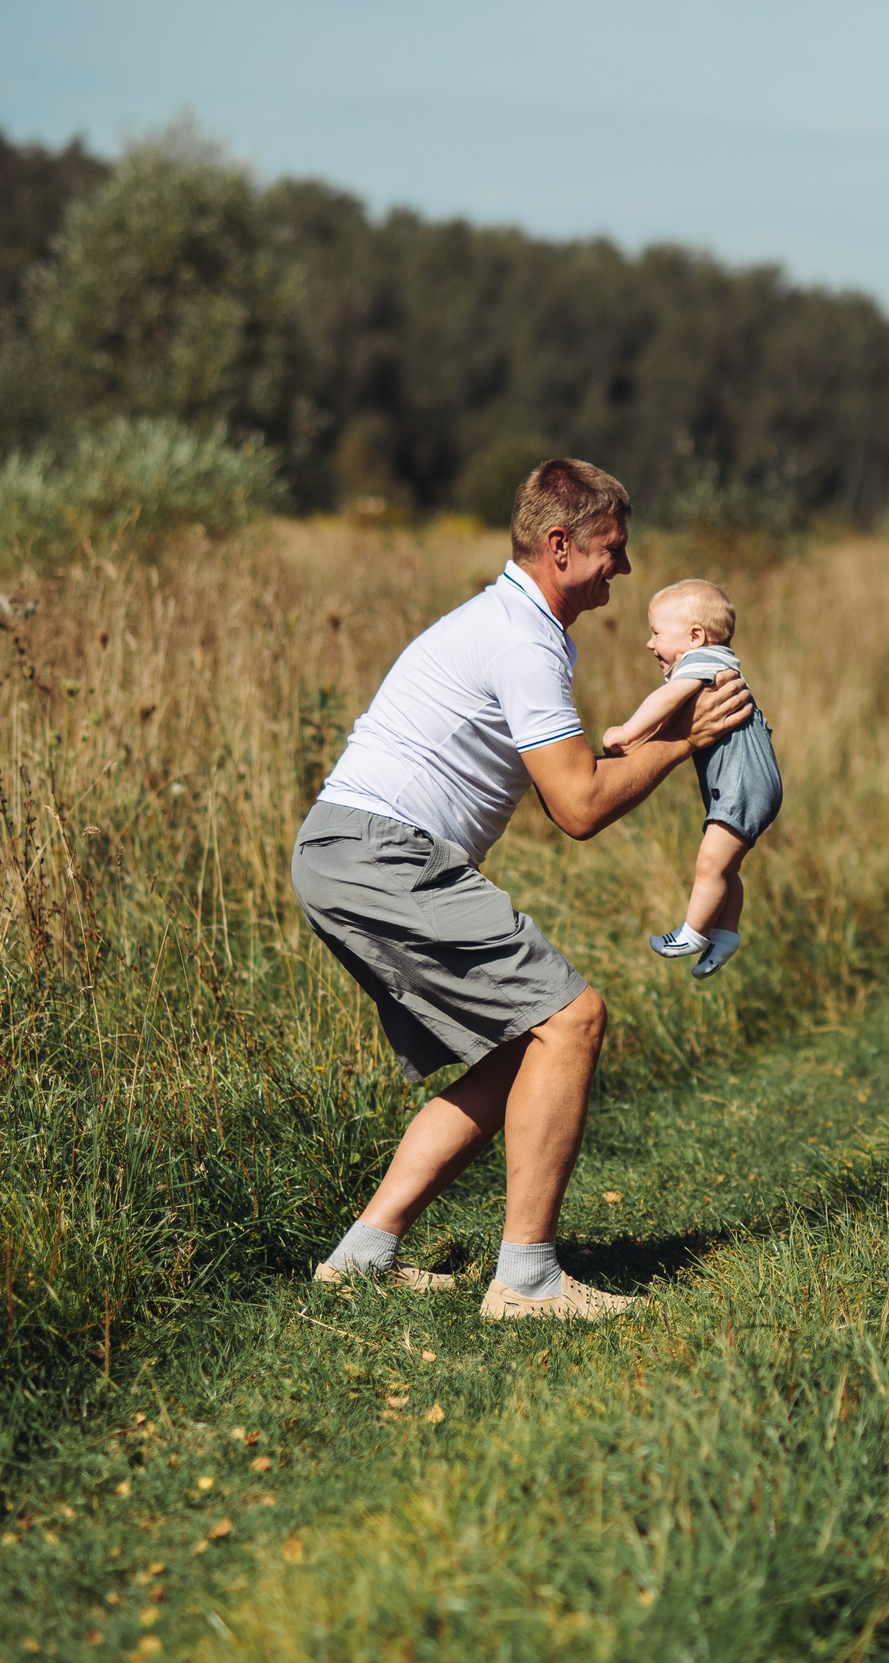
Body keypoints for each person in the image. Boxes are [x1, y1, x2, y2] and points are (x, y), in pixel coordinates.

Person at [294, 459, 755, 1321]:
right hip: (379, 851)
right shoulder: (524, 638)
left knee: (520, 1049)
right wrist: (683, 742)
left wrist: (664, 740)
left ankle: (363, 1255)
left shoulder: (517, 626)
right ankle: (527, 1280)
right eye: (612, 548)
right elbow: (579, 810)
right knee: (572, 1018)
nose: (623, 565)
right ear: (560, 546)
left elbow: (567, 784)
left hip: (347, 850)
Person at [600, 578, 783, 979]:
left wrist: (628, 731)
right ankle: (725, 934)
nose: (650, 644)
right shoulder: (716, 662)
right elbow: (677, 721)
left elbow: (665, 702)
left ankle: (693, 933)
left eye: (656, 633)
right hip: (753, 785)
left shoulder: (701, 661)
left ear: (695, 636)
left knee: (709, 865)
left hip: (743, 786)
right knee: (725, 868)